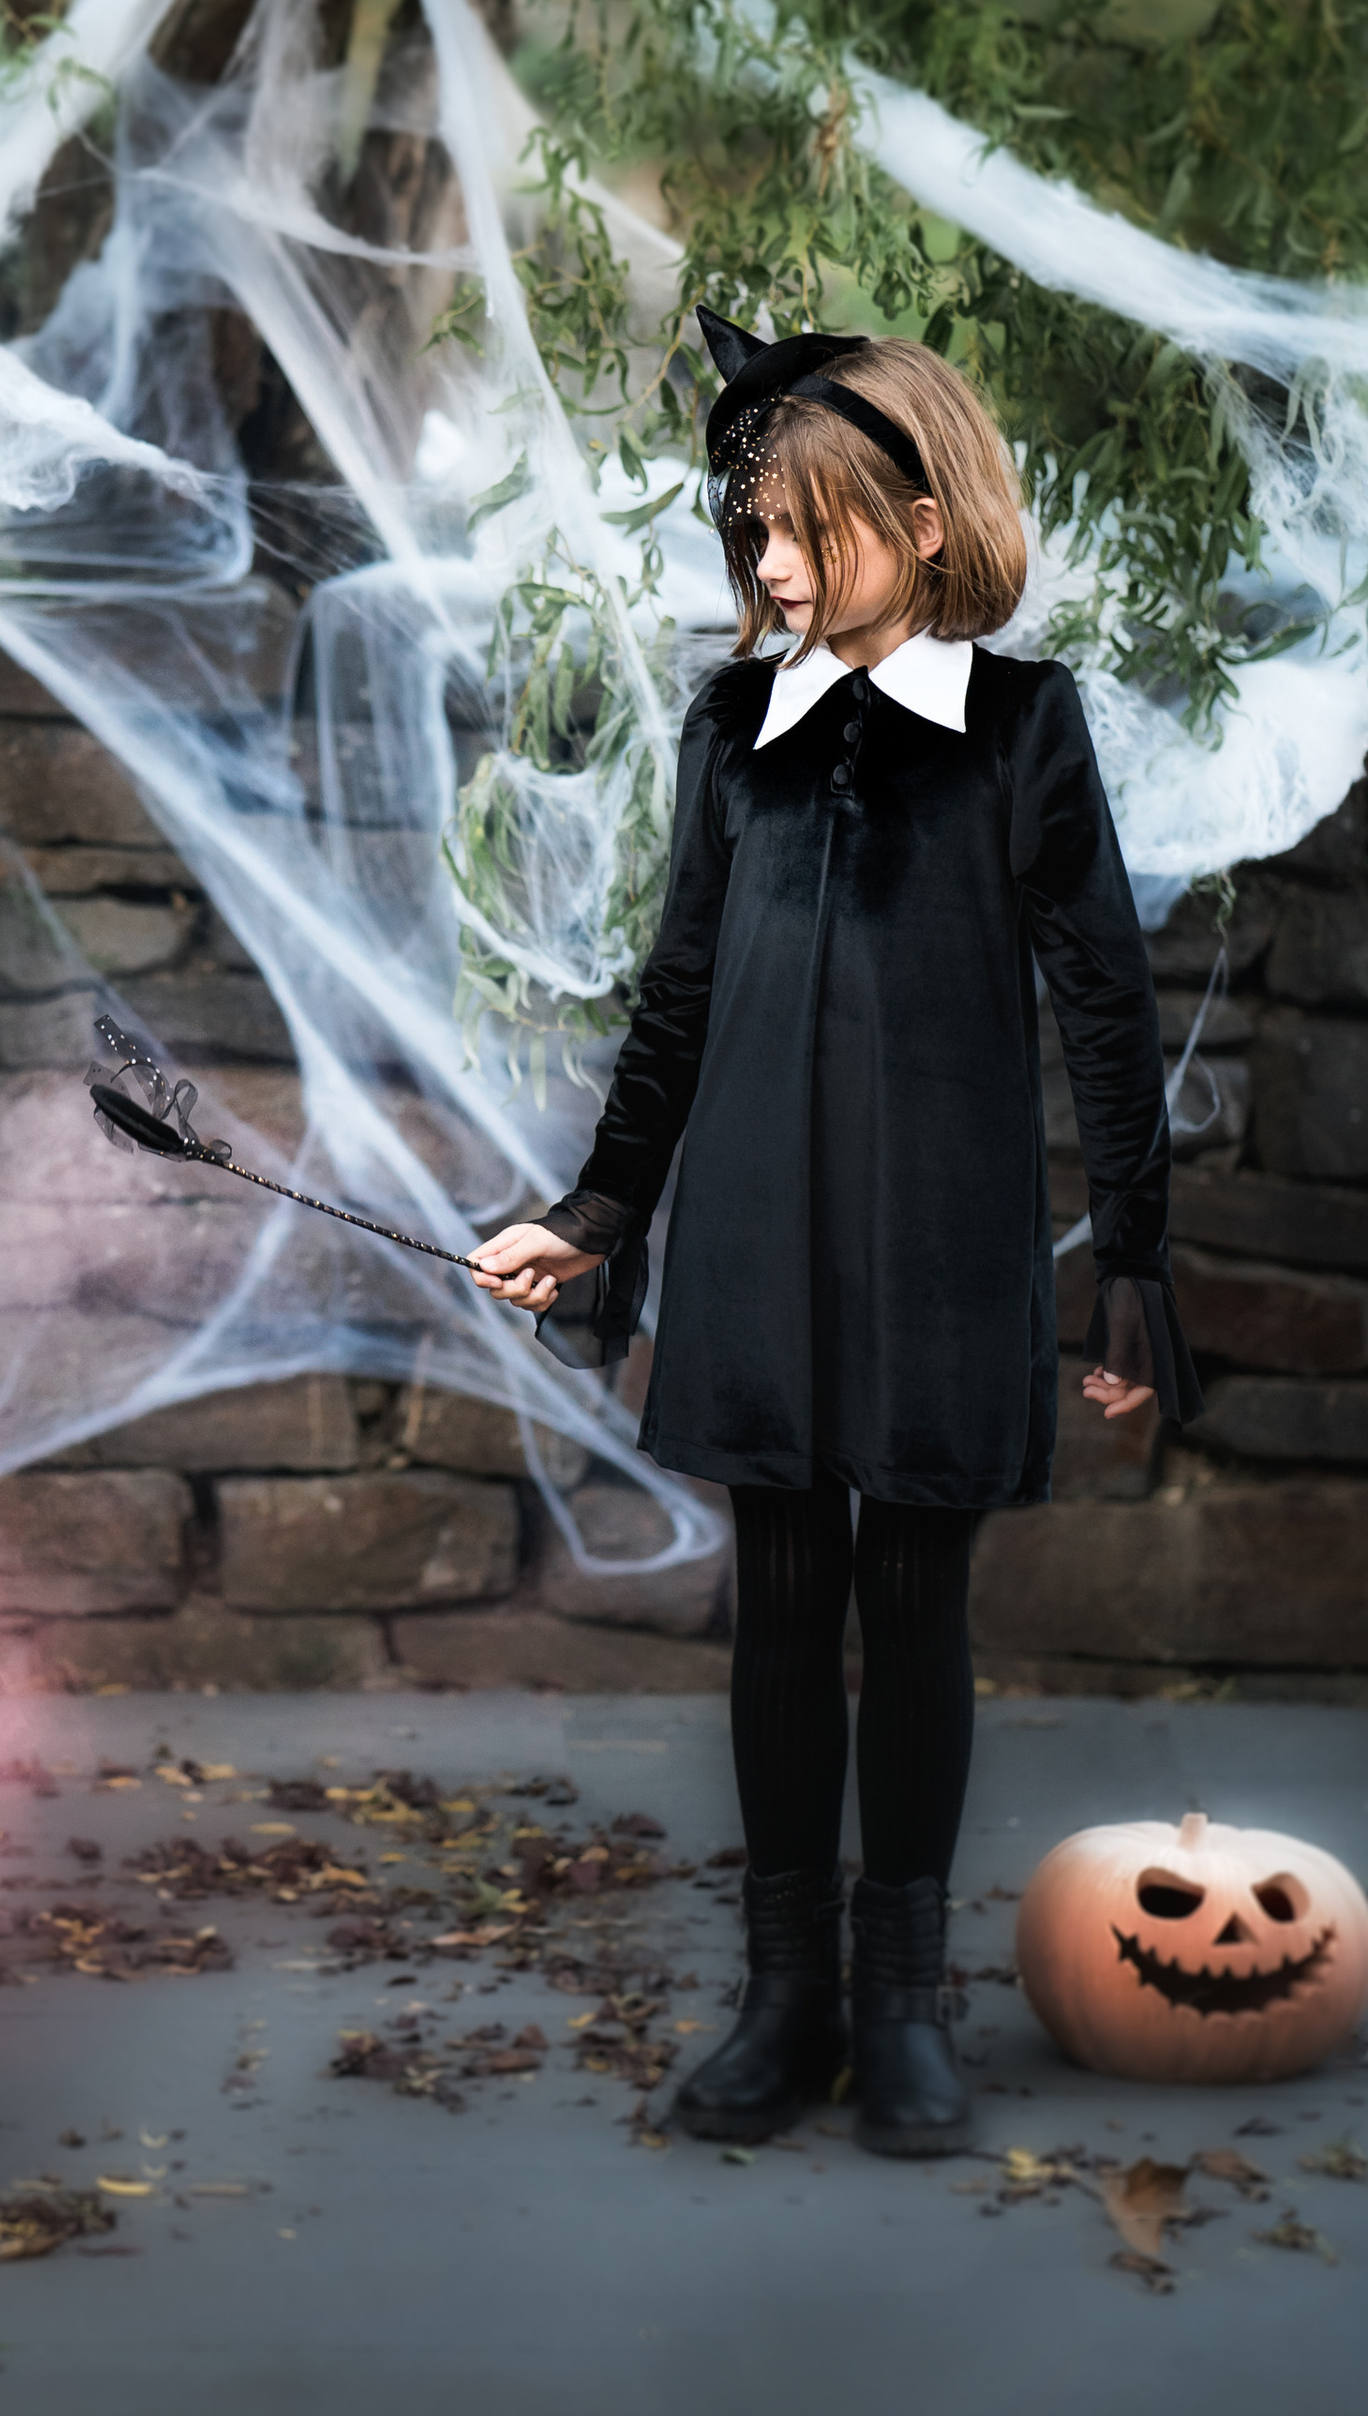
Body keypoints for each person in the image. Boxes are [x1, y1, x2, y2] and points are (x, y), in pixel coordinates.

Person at [472, 310, 1200, 2156]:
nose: (772, 567)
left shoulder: (1024, 729)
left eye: (802, 531)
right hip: (761, 1233)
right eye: (753, 540)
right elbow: (680, 994)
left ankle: (905, 2003)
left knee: (916, 1603)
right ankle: (787, 1998)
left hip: (945, 1238)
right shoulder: (737, 726)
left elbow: (1106, 1001)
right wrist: (602, 1209)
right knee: (782, 1605)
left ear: (928, 523)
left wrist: (1132, 1256)